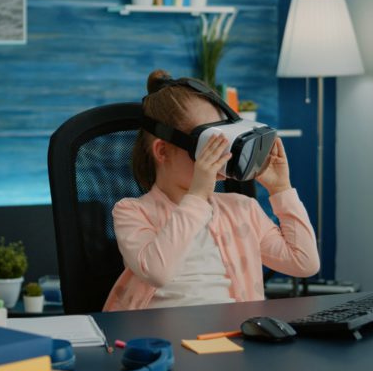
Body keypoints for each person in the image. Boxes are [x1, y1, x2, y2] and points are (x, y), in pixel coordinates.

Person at [103, 70, 320, 311]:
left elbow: (304, 263)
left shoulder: (242, 209)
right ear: (162, 152)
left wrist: (281, 189)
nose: (220, 157)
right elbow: (157, 273)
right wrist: (197, 196)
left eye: (223, 142)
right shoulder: (132, 212)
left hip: (234, 330)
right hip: (159, 333)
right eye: (208, 146)